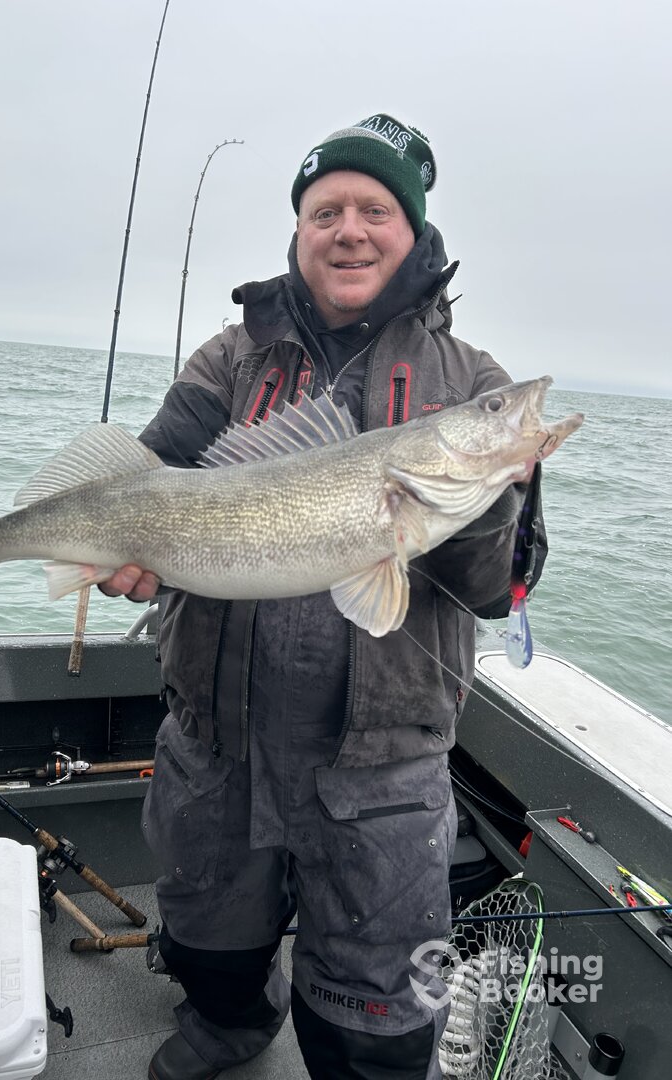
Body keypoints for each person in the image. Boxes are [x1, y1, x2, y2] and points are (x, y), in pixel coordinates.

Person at [101, 114, 546, 1080]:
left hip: (381, 768)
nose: (349, 229)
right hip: (214, 741)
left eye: (374, 209)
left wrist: (481, 497)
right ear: (298, 233)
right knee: (209, 937)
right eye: (325, 210)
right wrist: (116, 549)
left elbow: (491, 590)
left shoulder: (473, 384)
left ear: (413, 232)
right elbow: (149, 474)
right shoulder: (231, 359)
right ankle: (228, 1026)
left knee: (379, 1017)